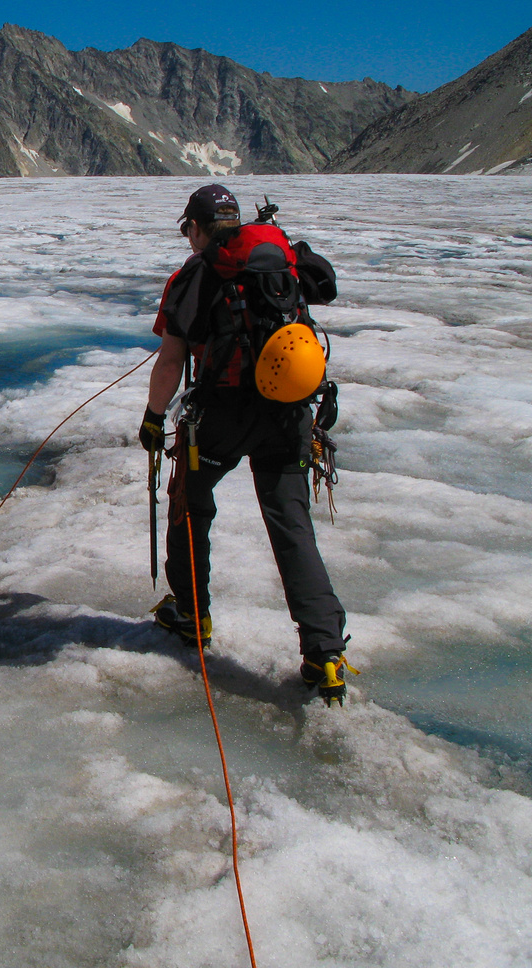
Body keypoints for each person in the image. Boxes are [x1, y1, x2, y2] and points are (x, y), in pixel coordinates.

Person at [140, 184, 351, 704]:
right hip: (288, 415)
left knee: (191, 502)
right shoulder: (281, 262)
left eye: (188, 228)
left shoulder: (195, 274)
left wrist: (152, 418)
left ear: (197, 227)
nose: (187, 237)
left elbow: (171, 360)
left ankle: (192, 612)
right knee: (291, 524)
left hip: (223, 415)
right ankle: (325, 653)